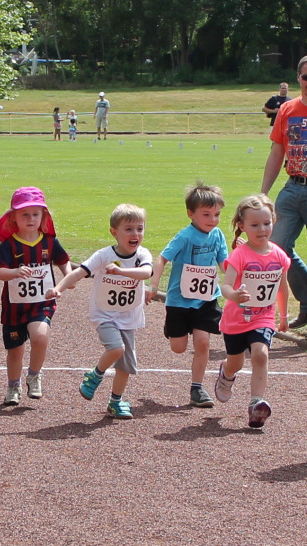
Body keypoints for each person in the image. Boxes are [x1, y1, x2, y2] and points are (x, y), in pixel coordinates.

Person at [49, 205, 152, 419]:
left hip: (129, 317)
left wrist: (121, 271)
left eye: (140, 229)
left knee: (125, 366)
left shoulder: (142, 254)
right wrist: (59, 288)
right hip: (104, 315)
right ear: (114, 232)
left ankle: (116, 401)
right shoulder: (103, 255)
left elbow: (146, 272)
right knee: (116, 348)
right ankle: (94, 376)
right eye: (129, 229)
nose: (136, 234)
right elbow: (79, 272)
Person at [146, 183, 228, 408]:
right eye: (206, 215)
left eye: (217, 214)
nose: (213, 219)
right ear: (191, 214)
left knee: (202, 343)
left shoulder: (218, 235)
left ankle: (197, 389)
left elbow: (224, 264)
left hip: (206, 298)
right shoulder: (184, 236)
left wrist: (240, 266)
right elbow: (162, 258)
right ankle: (174, 328)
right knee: (178, 347)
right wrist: (153, 286)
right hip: (180, 301)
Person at [214, 194, 290, 428]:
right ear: (242, 225)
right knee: (235, 362)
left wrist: (284, 315)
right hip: (236, 320)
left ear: (273, 221)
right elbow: (225, 285)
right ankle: (226, 374)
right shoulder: (240, 255)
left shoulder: (279, 255)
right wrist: (234, 295)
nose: (261, 229)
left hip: (263, 317)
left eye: (266, 223)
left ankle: (256, 404)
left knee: (260, 354)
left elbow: (282, 287)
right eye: (255, 225)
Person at [0, 186, 71, 406]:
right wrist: (15, 272)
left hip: (42, 302)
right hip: (14, 307)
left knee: (40, 337)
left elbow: (62, 260)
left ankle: (34, 375)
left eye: (35, 214)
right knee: (15, 350)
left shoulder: (49, 241)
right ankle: (13, 386)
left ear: (43, 216)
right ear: (13, 218)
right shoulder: (9, 245)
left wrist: (68, 277)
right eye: (24, 214)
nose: (30, 219)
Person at [261, 55, 307, 329]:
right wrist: (264, 193)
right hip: (292, 188)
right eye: (305, 76)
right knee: (277, 247)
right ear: (299, 78)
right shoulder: (287, 109)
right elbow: (277, 151)